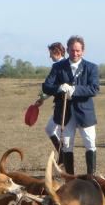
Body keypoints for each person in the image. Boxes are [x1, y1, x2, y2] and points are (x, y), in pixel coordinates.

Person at [42, 35, 100, 175]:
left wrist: (75, 90)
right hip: (65, 113)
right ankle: (70, 179)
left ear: (83, 51)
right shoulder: (58, 67)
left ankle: (91, 178)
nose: (75, 53)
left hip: (85, 113)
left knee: (90, 144)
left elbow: (94, 88)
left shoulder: (91, 67)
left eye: (78, 50)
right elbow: (46, 86)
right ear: (67, 50)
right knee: (67, 145)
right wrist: (59, 88)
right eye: (72, 50)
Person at [34, 42, 65, 161]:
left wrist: (42, 98)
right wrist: (42, 98)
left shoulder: (59, 66)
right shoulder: (61, 65)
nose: (50, 56)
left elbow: (53, 87)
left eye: (51, 53)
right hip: (60, 105)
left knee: (54, 130)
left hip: (63, 106)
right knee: (53, 130)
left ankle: (63, 157)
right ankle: (62, 156)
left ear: (57, 52)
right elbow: (54, 88)